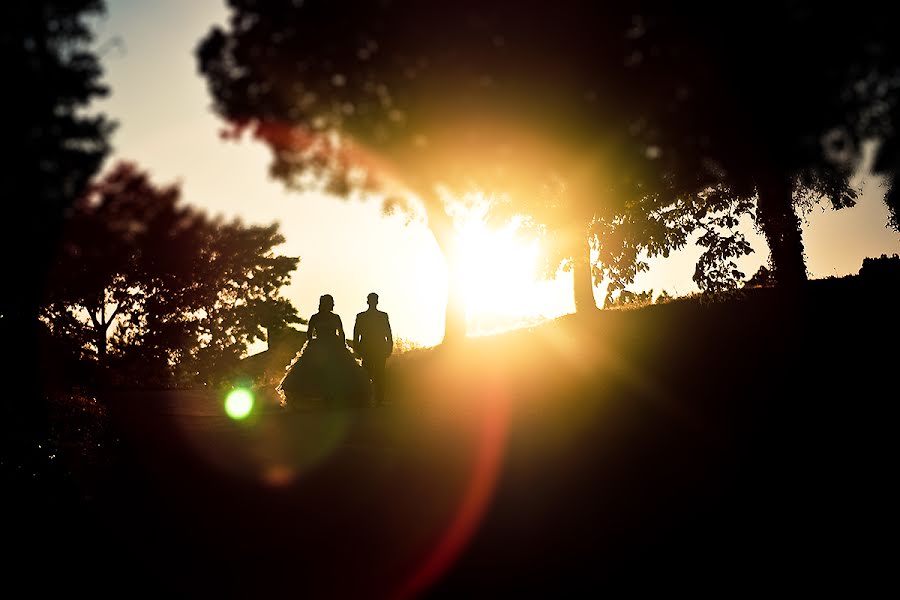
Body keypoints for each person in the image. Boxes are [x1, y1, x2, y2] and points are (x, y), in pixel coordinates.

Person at [278, 294, 369, 407]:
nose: (332, 305)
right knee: (316, 371)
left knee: (338, 371)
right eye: (330, 302)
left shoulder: (335, 317)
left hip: (334, 345)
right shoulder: (315, 317)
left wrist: (342, 345)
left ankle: (336, 397)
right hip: (319, 345)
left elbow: (341, 332)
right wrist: (312, 344)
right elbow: (309, 333)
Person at [353, 292, 393, 406]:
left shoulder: (382, 316)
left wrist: (389, 346)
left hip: (378, 348)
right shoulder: (361, 316)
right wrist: (357, 347)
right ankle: (367, 398)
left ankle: (378, 399)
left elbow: (388, 332)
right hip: (368, 348)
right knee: (368, 373)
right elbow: (356, 333)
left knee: (378, 374)